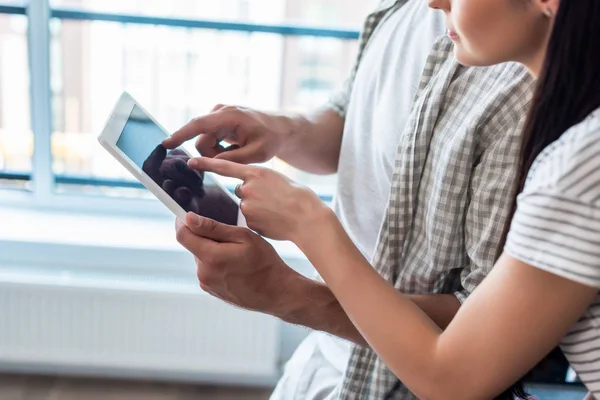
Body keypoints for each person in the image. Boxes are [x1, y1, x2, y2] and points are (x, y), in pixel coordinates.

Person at [174, 0, 600, 398]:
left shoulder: (575, 162)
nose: (436, 2)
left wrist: (306, 237)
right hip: (325, 360)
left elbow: (456, 374)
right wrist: (284, 131)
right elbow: (352, 107)